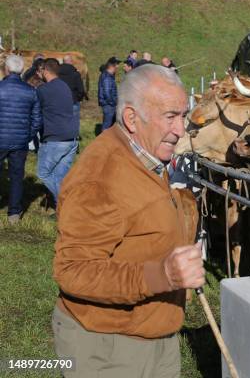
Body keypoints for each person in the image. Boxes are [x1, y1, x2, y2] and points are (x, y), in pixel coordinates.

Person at [52, 65, 201, 377]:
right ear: (132, 118)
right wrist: (163, 275)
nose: (181, 129)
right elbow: (73, 271)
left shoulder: (145, 156)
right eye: (170, 116)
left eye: (183, 116)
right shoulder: (100, 178)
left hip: (154, 331)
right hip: (110, 348)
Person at [0, 55, 42, 224]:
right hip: (20, 141)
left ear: (7, 69)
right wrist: (27, 135)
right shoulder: (31, 91)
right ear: (22, 70)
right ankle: (14, 213)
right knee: (17, 176)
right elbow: (37, 119)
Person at [36, 58, 79, 207]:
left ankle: (67, 204)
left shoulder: (43, 90)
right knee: (60, 177)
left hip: (56, 139)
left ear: (45, 71)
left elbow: (35, 110)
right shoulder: (64, 86)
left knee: (43, 173)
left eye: (41, 70)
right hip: (72, 138)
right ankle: (62, 209)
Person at [58, 55, 86, 136]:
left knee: (61, 121)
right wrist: (79, 98)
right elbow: (81, 90)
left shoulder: (57, 73)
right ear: (70, 62)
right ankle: (73, 139)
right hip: (73, 101)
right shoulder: (76, 74)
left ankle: (62, 136)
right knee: (74, 122)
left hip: (60, 102)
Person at [98, 57, 120, 131]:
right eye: (116, 64)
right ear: (111, 66)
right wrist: (113, 102)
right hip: (108, 105)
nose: (118, 66)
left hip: (109, 104)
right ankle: (103, 141)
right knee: (107, 126)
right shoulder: (107, 77)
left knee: (110, 125)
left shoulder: (109, 76)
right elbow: (107, 93)